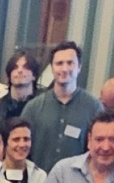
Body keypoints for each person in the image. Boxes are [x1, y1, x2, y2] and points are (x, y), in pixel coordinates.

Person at [21, 41, 103, 169]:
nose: (64, 69)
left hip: (79, 179)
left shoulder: (94, 108)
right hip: (39, 179)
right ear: (52, 68)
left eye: (70, 63)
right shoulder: (33, 108)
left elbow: (99, 149)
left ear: (79, 67)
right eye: (59, 63)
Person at [0, 50, 38, 128]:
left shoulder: (42, 106)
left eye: (26, 67)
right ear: (9, 76)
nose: (20, 70)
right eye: (15, 68)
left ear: (34, 75)